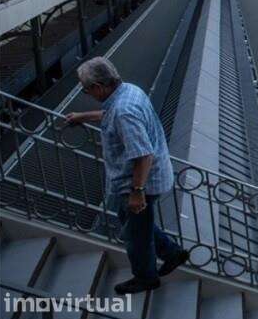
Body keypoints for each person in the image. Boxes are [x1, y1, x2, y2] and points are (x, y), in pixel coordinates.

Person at [65, 57, 188, 294]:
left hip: (141, 183)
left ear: (98, 87)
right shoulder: (129, 91)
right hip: (154, 176)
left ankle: (146, 277)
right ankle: (173, 253)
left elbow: (143, 155)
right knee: (135, 224)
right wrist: (83, 116)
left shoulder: (123, 112)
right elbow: (110, 115)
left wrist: (137, 192)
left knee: (135, 236)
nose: (86, 93)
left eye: (86, 89)